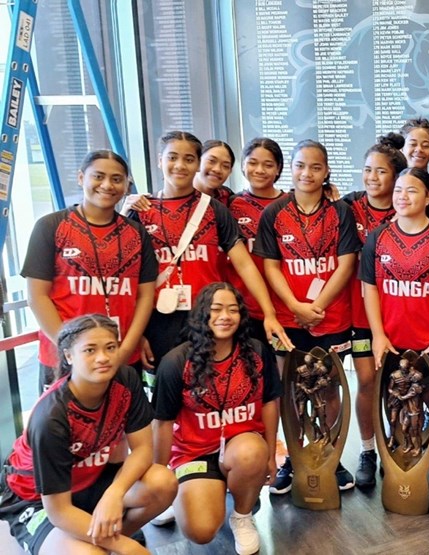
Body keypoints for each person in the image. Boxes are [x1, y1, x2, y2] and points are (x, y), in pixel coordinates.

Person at [0, 315, 177, 555]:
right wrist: (129, 547)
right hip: (35, 499)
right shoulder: (51, 417)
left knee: (162, 483)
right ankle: (99, 544)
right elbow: (58, 510)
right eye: (90, 350)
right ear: (69, 356)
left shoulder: (125, 379)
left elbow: (144, 449)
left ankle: (104, 539)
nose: (103, 358)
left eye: (110, 347)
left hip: (89, 479)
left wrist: (114, 494)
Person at [128, 131, 290, 385]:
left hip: (210, 319)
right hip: (159, 320)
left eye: (188, 159)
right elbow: (129, 278)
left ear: (196, 164)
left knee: (214, 390)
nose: (180, 165)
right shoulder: (141, 212)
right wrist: (135, 332)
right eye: (172, 157)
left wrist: (269, 313)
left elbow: (245, 264)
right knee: (167, 397)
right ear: (160, 161)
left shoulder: (216, 209)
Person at [254, 139, 361, 493]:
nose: (307, 173)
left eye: (316, 167)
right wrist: (297, 308)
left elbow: (346, 264)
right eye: (300, 165)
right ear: (292, 169)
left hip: (331, 318)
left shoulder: (341, 212)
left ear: (326, 171)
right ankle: (295, 458)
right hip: (287, 320)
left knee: (328, 389)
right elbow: (270, 266)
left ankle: (330, 455)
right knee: (290, 391)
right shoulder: (274, 214)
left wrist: (317, 307)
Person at [152, 283, 281, 555]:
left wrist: (270, 455)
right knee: (200, 531)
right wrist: (159, 477)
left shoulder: (256, 351)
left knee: (252, 453)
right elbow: (162, 422)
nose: (225, 316)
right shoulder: (176, 362)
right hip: (193, 453)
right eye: (217, 309)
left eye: (233, 310)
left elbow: (270, 402)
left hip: (239, 446)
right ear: (202, 315)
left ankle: (243, 516)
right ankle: (183, 495)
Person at [360, 167, 429, 501]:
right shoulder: (378, 237)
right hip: (392, 341)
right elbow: (370, 288)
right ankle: (399, 455)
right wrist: (378, 335)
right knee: (395, 400)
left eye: (412, 190)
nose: (402, 196)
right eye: (398, 189)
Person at [23, 150, 157, 392]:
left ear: (126, 185)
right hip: (63, 359)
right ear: (81, 177)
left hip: (120, 356)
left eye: (116, 179)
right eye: (98, 176)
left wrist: (125, 350)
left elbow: (145, 296)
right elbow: (36, 296)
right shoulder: (51, 226)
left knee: (123, 426)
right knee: (64, 428)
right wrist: (70, 350)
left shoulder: (137, 233)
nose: (107, 185)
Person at [341, 134, 404, 489]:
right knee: (367, 381)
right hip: (362, 316)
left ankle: (399, 445)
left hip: (402, 315)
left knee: (399, 386)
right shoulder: (347, 207)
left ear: (396, 177)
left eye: (381, 171)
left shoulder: (408, 206)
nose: (373, 177)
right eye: (367, 170)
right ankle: (367, 450)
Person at [225, 137, 285, 345]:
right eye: (252, 162)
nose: (259, 170)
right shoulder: (230, 204)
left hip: (282, 307)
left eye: (268, 165)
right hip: (242, 306)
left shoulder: (290, 205)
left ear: (278, 169)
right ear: (242, 165)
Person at [124, 139, 236, 213]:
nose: (217, 169)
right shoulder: (151, 203)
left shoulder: (228, 198)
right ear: (198, 162)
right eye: (211, 161)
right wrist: (125, 211)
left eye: (225, 166)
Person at [399, 117, 429, 189]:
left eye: (425, 146)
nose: (419, 149)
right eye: (413, 144)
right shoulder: (390, 187)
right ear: (401, 148)